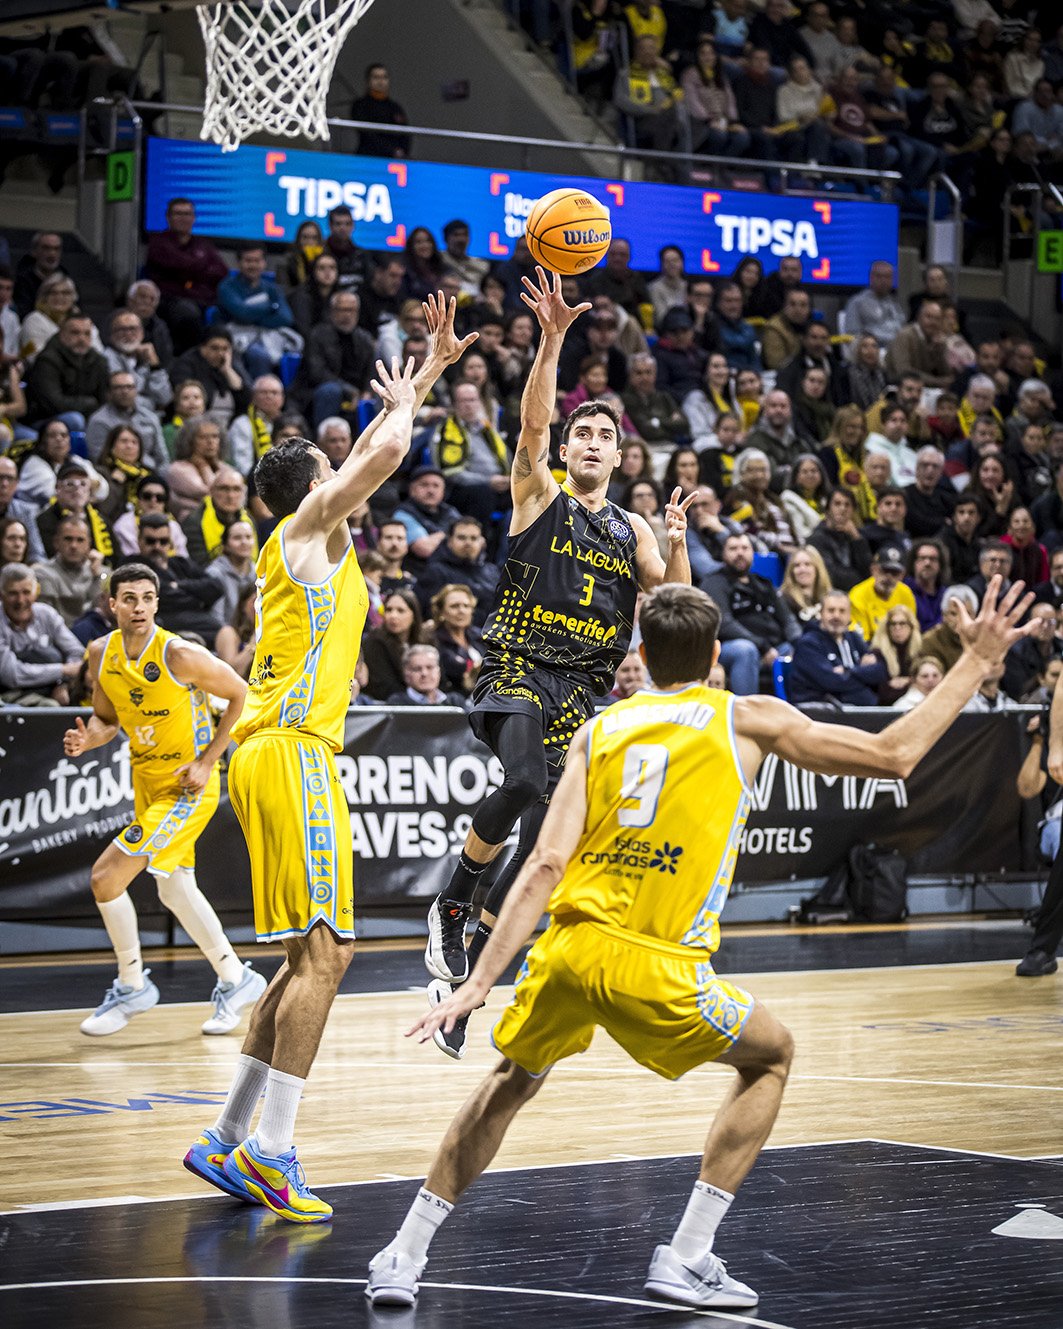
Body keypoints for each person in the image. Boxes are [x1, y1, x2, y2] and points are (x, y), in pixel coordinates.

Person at [367, 574, 1034, 1310]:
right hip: (658, 965)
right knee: (772, 1055)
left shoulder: (599, 730)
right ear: (716, 655)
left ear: (643, 656)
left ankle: (402, 1254)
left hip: (569, 951)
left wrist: (475, 982)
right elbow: (894, 752)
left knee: (509, 1082)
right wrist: (976, 662)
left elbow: (544, 866)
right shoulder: (746, 717)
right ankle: (686, 1254)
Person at [183, 295, 473, 1221]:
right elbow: (378, 459)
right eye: (328, 469)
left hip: (268, 752)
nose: (344, 475)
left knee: (299, 960)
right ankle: (273, 1151)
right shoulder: (302, 530)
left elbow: (369, 459)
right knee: (331, 954)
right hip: (293, 753)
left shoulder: (314, 546)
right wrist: (407, 399)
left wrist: (429, 372)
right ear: (312, 484)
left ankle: (228, 1135)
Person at [422, 268, 695, 1061]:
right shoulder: (538, 492)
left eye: (605, 435)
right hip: (516, 666)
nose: (592, 442)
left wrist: (677, 542)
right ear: (568, 447)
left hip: (580, 691)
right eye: (583, 433)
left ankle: (468, 975)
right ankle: (452, 903)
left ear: (620, 454)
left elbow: (675, 607)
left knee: (548, 850)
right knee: (520, 782)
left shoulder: (633, 528)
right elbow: (533, 422)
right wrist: (551, 341)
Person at [61, 558, 264, 1033]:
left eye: (147, 599)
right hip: (147, 784)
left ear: (156, 604)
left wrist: (208, 761)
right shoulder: (101, 652)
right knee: (174, 887)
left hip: (188, 787)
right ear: (112, 604)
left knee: (106, 877)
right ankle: (236, 978)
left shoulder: (178, 654)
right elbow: (106, 720)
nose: (139, 607)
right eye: (129, 599)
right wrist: (88, 740)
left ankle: (132, 984)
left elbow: (241, 694)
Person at [702, 533, 799, 695]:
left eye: (745, 548)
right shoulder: (714, 582)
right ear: (723, 554)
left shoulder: (763, 583)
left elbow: (787, 618)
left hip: (773, 649)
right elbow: (724, 624)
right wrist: (763, 647)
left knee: (799, 649)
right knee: (746, 650)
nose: (740, 553)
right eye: (733, 549)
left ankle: (802, 705)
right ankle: (744, 706)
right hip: (729, 649)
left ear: (752, 553)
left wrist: (799, 644)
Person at [144, 199, 229, 354]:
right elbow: (179, 265)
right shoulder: (158, 242)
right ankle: (194, 359)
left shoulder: (203, 244)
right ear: (168, 217)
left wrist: (190, 270)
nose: (183, 218)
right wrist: (201, 267)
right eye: (178, 214)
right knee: (187, 313)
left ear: (194, 218)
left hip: (203, 300)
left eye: (187, 214)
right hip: (169, 301)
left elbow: (221, 272)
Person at [0, 561, 84, 705]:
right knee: (50, 706)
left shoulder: (46, 614)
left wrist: (62, 683)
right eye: (13, 593)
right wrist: (62, 670)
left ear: (36, 591)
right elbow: (11, 675)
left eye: (26, 592)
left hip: (53, 687)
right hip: (10, 693)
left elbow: (77, 653)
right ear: (1, 595)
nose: (20, 600)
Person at [291, 290, 376, 427]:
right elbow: (317, 373)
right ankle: (324, 434)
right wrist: (349, 390)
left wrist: (367, 392)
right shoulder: (317, 335)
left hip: (356, 394)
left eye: (351, 310)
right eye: (342, 310)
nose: (347, 315)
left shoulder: (365, 339)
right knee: (331, 391)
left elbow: (372, 371)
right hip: (317, 392)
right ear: (332, 311)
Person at [789, 589, 885, 705]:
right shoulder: (808, 644)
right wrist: (865, 677)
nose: (836, 616)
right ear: (820, 613)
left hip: (850, 705)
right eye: (831, 610)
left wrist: (848, 671)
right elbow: (832, 682)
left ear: (849, 615)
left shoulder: (853, 638)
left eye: (842, 611)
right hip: (817, 706)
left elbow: (881, 671)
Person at [25, 312, 110, 430]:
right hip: (46, 420)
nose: (82, 338)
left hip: (87, 414)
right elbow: (54, 404)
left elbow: (105, 399)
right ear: (62, 334)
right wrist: (90, 403)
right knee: (75, 420)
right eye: (75, 333)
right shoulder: (47, 360)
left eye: (87, 333)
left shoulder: (98, 360)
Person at [416, 517, 499, 626]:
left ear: (482, 542)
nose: (468, 543)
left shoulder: (492, 571)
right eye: (461, 537)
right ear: (450, 541)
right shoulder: (436, 572)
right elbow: (430, 613)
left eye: (473, 538)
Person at [169, 326, 252, 433]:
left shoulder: (232, 363)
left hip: (230, 428)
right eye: (214, 348)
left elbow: (246, 400)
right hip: (196, 426)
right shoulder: (186, 364)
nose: (220, 353)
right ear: (202, 348)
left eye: (225, 349)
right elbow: (191, 397)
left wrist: (228, 371)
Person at [85, 370, 169, 474]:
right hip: (116, 473)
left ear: (136, 391)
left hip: (150, 472)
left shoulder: (150, 417)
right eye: (118, 387)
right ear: (109, 392)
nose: (125, 391)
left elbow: (162, 457)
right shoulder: (99, 421)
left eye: (129, 387)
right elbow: (99, 459)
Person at [34, 512, 107, 626]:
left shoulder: (102, 573)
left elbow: (101, 616)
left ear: (88, 544)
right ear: (56, 542)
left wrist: (97, 577)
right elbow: (47, 620)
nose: (73, 546)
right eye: (68, 539)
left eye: (80, 540)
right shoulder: (42, 573)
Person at [103, 309, 173, 413]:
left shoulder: (147, 356)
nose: (128, 334)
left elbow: (164, 398)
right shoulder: (106, 358)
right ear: (111, 334)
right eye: (122, 329)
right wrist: (153, 404)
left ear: (142, 333)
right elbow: (123, 400)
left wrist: (155, 366)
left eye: (133, 328)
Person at [848, 543, 917, 641]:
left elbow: (912, 631)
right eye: (884, 570)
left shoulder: (906, 593)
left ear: (902, 575)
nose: (889, 577)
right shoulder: (858, 595)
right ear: (873, 569)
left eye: (894, 573)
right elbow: (862, 639)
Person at [808, 486, 872, 592]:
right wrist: (862, 582)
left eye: (847, 505)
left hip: (856, 593)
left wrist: (856, 538)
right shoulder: (816, 539)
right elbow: (831, 575)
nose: (843, 509)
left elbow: (869, 571)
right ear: (828, 508)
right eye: (837, 504)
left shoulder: (855, 536)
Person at [228, 374, 286, 477]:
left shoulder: (288, 424)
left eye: (274, 392)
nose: (269, 396)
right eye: (264, 392)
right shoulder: (242, 424)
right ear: (253, 397)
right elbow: (242, 466)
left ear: (282, 399)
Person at [885, 302, 952, 390]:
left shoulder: (939, 340)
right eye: (929, 317)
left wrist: (939, 350)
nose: (933, 322)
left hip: (927, 388)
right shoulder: (904, 336)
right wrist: (938, 382)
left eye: (937, 319)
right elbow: (903, 371)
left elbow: (946, 374)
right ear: (919, 317)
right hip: (900, 388)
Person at [349, 61, 410, 157]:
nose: (380, 82)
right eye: (376, 77)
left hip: (393, 160)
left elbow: (405, 134)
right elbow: (366, 134)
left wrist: (402, 152)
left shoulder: (395, 107)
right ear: (368, 80)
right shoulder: (360, 105)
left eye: (384, 77)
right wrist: (391, 150)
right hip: (368, 156)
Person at [844, 261, 906, 350]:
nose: (883, 281)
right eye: (879, 276)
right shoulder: (857, 302)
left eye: (887, 277)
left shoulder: (896, 302)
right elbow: (852, 335)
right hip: (873, 349)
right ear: (871, 277)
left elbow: (903, 327)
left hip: (898, 347)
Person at [870, 604, 922, 705]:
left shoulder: (919, 652)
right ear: (887, 627)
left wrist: (908, 681)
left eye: (902, 623)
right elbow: (884, 693)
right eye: (893, 624)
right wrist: (911, 685)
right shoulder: (878, 653)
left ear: (911, 626)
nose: (897, 628)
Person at [387, 642, 465, 706]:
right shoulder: (397, 703)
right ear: (406, 675)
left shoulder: (455, 701)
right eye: (417, 669)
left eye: (430, 667)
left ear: (439, 672)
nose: (424, 673)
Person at [0, 454, 46, 562]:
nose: (4, 484)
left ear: (17, 484)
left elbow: (37, 555)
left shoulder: (23, 511)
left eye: (10, 478)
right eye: (0, 477)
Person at [779, 545, 831, 626]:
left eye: (807, 564)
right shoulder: (785, 600)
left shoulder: (829, 597)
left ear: (817, 568)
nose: (802, 569)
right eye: (797, 565)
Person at [905, 538, 949, 631]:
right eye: (922, 558)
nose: (927, 563)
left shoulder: (946, 595)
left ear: (940, 564)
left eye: (933, 559)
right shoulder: (904, 591)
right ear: (913, 563)